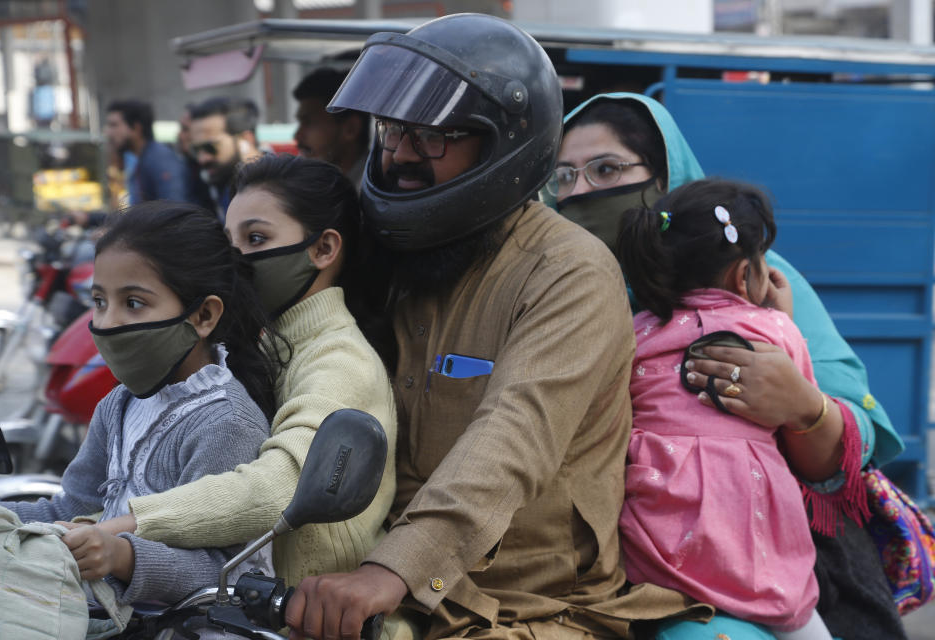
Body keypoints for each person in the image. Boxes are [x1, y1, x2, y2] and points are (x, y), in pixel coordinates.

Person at [270, 14, 715, 640]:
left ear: (506, 143)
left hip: (523, 606)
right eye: (393, 129)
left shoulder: (570, 271)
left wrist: (390, 571)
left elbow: (513, 436)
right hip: (364, 586)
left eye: (435, 136)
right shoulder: (386, 255)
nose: (400, 153)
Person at [551, 92, 907, 639]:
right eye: (563, 178)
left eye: (605, 170)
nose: (580, 193)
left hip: (773, 549)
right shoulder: (552, 286)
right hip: (613, 557)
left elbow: (850, 449)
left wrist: (803, 408)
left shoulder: (761, 281)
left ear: (666, 173)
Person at [95, 154, 406, 636]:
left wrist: (130, 524)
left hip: (320, 626)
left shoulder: (340, 361)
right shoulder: (261, 346)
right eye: (230, 241)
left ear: (323, 248)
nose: (237, 259)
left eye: (256, 240)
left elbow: (280, 486)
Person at [615, 178, 870, 640]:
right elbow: (802, 398)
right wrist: (783, 319)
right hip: (751, 540)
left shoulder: (636, 333)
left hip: (660, 550)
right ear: (743, 274)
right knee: (801, 623)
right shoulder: (776, 331)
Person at [0, 202, 278, 609]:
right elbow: (71, 506)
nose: (107, 323)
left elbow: (229, 573)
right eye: (99, 301)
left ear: (203, 315)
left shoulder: (226, 423)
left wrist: (122, 556)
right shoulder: (119, 403)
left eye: (133, 303)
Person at [293, 68, 370, 188]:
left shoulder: (377, 193)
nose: (297, 135)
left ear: (351, 128)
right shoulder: (319, 185)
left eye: (309, 122)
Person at [188, 96, 261, 220]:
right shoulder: (220, 184)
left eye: (211, 147)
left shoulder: (277, 188)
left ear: (246, 140)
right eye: (196, 150)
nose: (202, 159)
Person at [104, 99, 188, 204]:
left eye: (114, 125)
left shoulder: (159, 159)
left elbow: (174, 210)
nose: (107, 132)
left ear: (136, 128)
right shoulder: (141, 160)